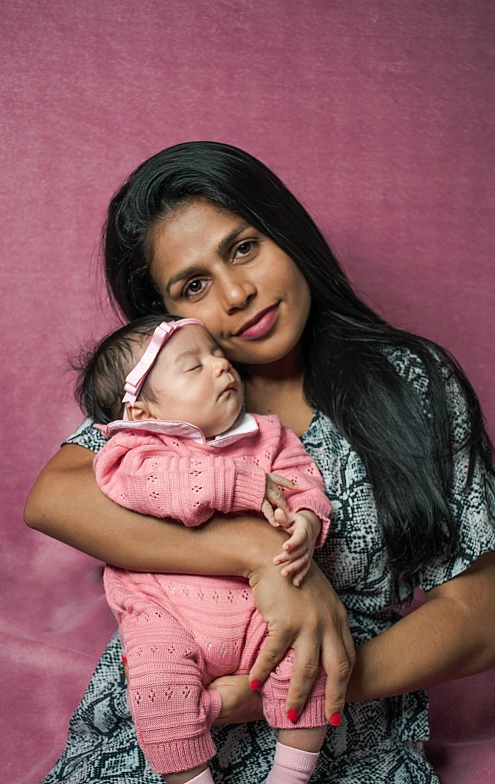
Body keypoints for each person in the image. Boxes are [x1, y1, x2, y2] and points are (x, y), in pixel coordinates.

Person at [25, 141, 495, 784]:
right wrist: (261, 558)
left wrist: (315, 679)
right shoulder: (173, 399)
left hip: (335, 732)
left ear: (286, 231)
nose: (238, 293)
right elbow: (53, 498)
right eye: (194, 285)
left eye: (243, 247)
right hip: (172, 719)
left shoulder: (412, 382)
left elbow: (479, 615)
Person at [79, 313, 333, 783]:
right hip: (169, 614)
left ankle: (291, 775)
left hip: (262, 609)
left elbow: (302, 481)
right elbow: (148, 486)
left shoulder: (268, 435)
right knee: (158, 690)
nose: (221, 367)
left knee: (310, 657)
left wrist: (306, 518)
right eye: (194, 367)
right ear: (142, 411)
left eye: (218, 355)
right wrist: (238, 482)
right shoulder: (133, 448)